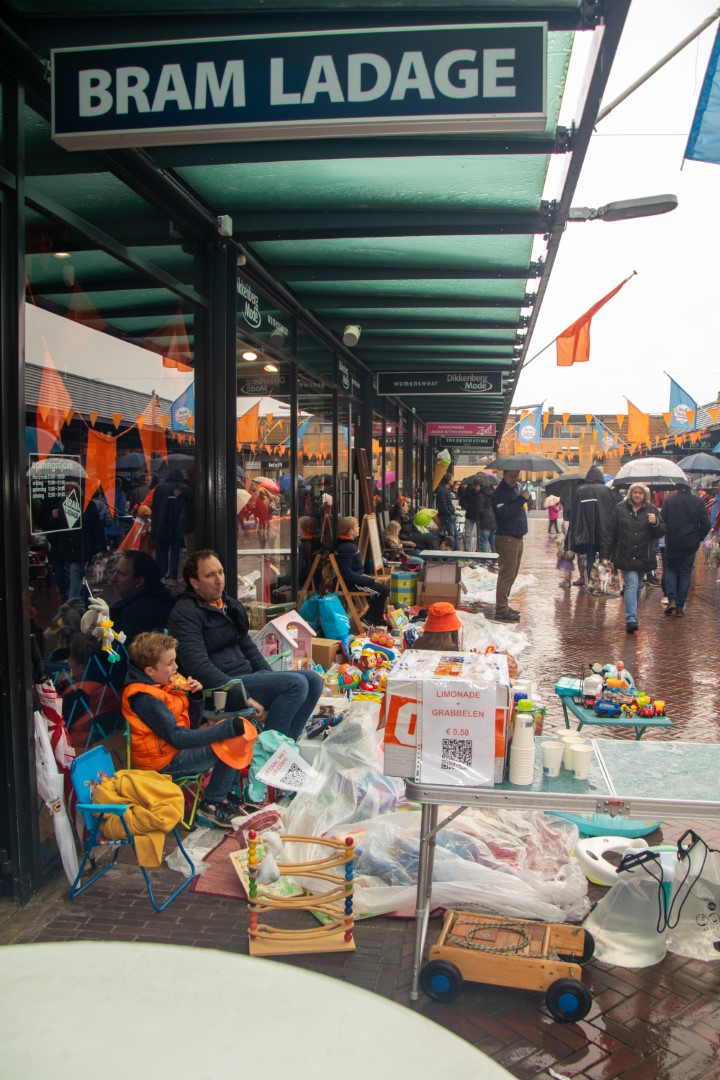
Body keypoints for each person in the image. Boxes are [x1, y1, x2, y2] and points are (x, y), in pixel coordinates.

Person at [167, 549, 323, 741]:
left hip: (248, 678)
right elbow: (198, 667)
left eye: (220, 572)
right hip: (221, 690)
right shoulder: (185, 613)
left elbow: (249, 648)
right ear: (194, 582)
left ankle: (285, 746)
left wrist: (272, 678)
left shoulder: (228, 605)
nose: (219, 580)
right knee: (296, 684)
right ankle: (270, 751)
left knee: (314, 681)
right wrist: (244, 697)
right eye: (210, 575)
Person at [122, 631, 254, 829]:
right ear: (150, 671)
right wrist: (224, 729)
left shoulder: (162, 684)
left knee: (235, 737)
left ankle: (225, 795)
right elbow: (178, 738)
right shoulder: (145, 699)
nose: (176, 667)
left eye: (174, 661)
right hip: (163, 764)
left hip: (173, 750)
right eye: (170, 663)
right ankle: (212, 804)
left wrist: (195, 698)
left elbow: (189, 726)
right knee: (232, 741)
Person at [600, 482, 665, 634]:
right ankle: (631, 619)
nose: (637, 495)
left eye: (640, 493)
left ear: (645, 495)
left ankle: (632, 613)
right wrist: (604, 556)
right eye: (634, 492)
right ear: (630, 494)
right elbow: (610, 533)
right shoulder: (620, 508)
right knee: (631, 583)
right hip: (625, 554)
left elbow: (661, 532)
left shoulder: (651, 509)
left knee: (639, 585)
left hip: (643, 555)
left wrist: (655, 523)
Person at [660, 483, 711, 618]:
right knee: (685, 573)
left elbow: (662, 521)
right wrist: (698, 537)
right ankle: (680, 606)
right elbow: (706, 524)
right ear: (689, 488)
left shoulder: (669, 500)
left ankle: (671, 599)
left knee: (671, 569)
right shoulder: (697, 501)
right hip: (690, 543)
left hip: (672, 541)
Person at [334, 516, 390, 628]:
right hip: (352, 583)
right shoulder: (347, 547)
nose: (359, 528)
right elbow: (346, 571)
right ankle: (371, 619)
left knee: (383, 589)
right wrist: (366, 580)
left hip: (355, 579)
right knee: (382, 590)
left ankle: (374, 619)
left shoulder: (347, 544)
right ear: (351, 531)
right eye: (357, 527)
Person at [110, 549, 176, 643]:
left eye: (122, 574)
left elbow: (120, 649)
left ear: (139, 582)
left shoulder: (141, 612)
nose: (113, 578)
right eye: (115, 572)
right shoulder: (153, 599)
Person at [567, 465, 616, 586]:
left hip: (586, 533)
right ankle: (602, 584)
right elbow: (613, 511)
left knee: (590, 559)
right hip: (604, 531)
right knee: (604, 558)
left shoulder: (579, 492)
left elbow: (573, 514)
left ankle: (590, 582)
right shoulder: (607, 491)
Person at [490, 470, 527, 622]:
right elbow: (504, 512)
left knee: (512, 574)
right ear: (504, 475)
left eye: (516, 476)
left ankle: (504, 604)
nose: (514, 479)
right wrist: (521, 499)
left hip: (517, 537)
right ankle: (501, 609)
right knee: (506, 574)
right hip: (507, 538)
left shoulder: (514, 490)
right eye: (511, 475)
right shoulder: (499, 493)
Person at [151, 469, 189, 582]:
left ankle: (161, 574)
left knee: (161, 551)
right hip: (179, 527)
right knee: (176, 552)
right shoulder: (186, 489)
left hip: (161, 526)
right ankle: (173, 575)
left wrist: (153, 532)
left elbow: (155, 510)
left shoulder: (160, 489)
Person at [435, 474, 458, 549]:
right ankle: (453, 548)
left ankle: (456, 548)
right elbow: (443, 504)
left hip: (449, 515)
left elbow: (447, 503)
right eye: (452, 479)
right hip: (446, 515)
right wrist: (449, 513)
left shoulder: (445, 490)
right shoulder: (442, 490)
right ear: (448, 481)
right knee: (452, 534)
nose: (453, 481)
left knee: (455, 534)